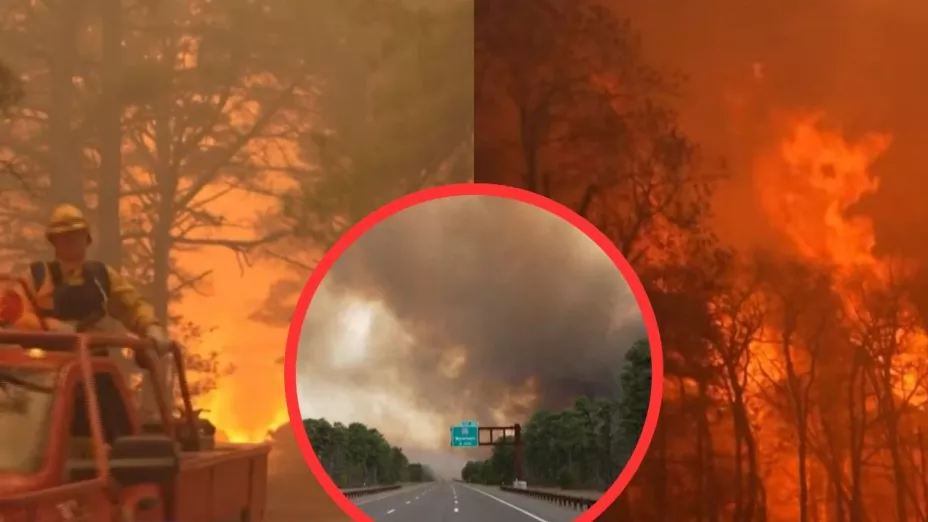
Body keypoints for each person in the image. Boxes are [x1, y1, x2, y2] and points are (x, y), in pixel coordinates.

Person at [2, 204, 171, 354]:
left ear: (86, 237)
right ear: (54, 240)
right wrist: (52, 327)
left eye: (76, 234)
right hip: (44, 369)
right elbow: (15, 314)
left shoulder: (102, 276)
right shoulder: (36, 276)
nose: (71, 240)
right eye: (64, 235)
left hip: (93, 364)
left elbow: (131, 306)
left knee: (109, 389)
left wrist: (150, 326)